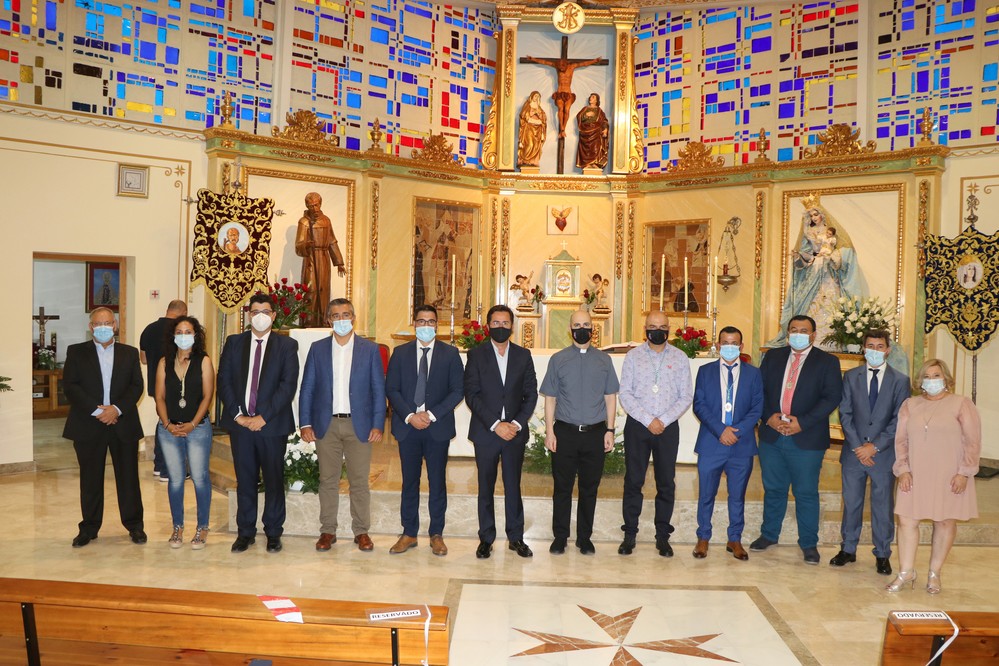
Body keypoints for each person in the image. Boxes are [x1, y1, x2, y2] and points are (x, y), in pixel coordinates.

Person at [751, 315, 842, 564]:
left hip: (807, 437)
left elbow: (832, 397)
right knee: (774, 489)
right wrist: (768, 417)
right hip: (772, 434)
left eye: (804, 330)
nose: (798, 334)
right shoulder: (773, 357)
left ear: (813, 335)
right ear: (787, 333)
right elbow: (759, 390)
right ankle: (769, 534)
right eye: (794, 330)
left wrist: (802, 422)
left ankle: (809, 543)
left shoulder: (827, 362)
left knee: (806, 492)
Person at [886, 359, 981, 594]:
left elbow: (972, 442)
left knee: (945, 520)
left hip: (950, 474)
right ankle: (906, 572)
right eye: (926, 376)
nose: (931, 381)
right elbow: (901, 441)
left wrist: (964, 473)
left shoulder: (961, 404)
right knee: (907, 520)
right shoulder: (910, 404)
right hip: (915, 473)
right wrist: (903, 469)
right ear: (920, 381)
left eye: (936, 375)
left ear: (946, 378)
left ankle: (934, 573)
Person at [299, 298, 386, 553]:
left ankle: (361, 531)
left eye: (346, 314)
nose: (341, 320)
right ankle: (328, 530)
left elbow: (378, 390)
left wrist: (378, 423)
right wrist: (305, 422)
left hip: (359, 425)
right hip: (327, 425)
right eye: (336, 316)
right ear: (328, 320)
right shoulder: (318, 349)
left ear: (354, 318)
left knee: (360, 481)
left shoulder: (369, 350)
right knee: (328, 480)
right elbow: (308, 388)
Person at [217, 293, 300, 554]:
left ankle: (273, 532)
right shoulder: (234, 343)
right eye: (255, 311)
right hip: (241, 426)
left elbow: (287, 386)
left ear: (274, 316)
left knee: (274, 480)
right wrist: (238, 415)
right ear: (248, 315)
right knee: (245, 480)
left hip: (272, 426)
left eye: (266, 311)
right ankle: (245, 532)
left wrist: (263, 417)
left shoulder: (287, 346)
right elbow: (225, 381)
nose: (261, 316)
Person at [385, 304, 464, 556]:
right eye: (421, 321)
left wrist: (430, 414)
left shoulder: (450, 354)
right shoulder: (400, 353)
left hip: (436, 427)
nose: (426, 326)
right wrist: (410, 416)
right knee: (409, 482)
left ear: (437, 325)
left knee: (437, 482)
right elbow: (392, 389)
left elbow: (457, 391)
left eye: (431, 322)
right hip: (408, 428)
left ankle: (436, 534)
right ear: (414, 323)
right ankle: (409, 533)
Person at [63, 307, 146, 548]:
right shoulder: (77, 352)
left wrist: (116, 409)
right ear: (91, 327)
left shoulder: (129, 353)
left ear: (115, 325)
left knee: (129, 478)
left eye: (108, 323)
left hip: (123, 422)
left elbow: (136, 386)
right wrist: (99, 411)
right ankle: (88, 528)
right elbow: (71, 386)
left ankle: (135, 526)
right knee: (90, 479)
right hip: (89, 423)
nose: (103, 327)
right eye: (98, 324)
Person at [539, 309, 619, 555]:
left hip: (595, 433)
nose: (582, 328)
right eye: (577, 324)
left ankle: (584, 537)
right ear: (570, 329)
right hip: (565, 432)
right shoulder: (558, 359)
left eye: (586, 324)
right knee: (562, 487)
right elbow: (550, 398)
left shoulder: (604, 361)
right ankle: (560, 536)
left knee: (589, 488)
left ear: (593, 328)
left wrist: (610, 430)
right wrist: (550, 432)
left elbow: (610, 397)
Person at [831, 329, 910, 575]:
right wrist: (858, 446)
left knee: (882, 505)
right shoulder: (851, 376)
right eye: (870, 346)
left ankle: (883, 553)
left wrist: (874, 447)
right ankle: (848, 549)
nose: (874, 350)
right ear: (863, 349)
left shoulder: (900, 380)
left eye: (879, 346)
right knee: (851, 503)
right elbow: (845, 413)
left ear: (888, 350)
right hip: (854, 453)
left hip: (883, 454)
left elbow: (899, 420)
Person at [464, 305, 538, 559]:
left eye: (505, 323)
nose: (500, 327)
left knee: (512, 486)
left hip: (515, 433)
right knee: (485, 486)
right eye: (495, 323)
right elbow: (471, 395)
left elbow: (531, 394)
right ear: (488, 326)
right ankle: (486, 538)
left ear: (512, 326)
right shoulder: (476, 355)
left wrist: (515, 424)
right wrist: (497, 425)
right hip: (487, 433)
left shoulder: (523, 355)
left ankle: (515, 538)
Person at [618, 310, 692, 557]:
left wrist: (664, 420)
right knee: (634, 480)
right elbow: (625, 393)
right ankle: (630, 533)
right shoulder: (633, 356)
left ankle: (662, 535)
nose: (657, 330)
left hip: (668, 428)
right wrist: (649, 420)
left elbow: (686, 395)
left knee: (666, 482)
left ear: (669, 329)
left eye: (662, 326)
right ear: (645, 329)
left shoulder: (680, 358)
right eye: (652, 326)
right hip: (639, 425)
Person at [691, 326, 763, 560]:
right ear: (719, 345)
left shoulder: (754, 374)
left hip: (741, 445)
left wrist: (738, 430)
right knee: (706, 494)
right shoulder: (705, 371)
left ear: (741, 347)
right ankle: (703, 537)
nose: (730, 347)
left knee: (737, 495)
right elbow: (699, 405)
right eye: (725, 343)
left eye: (734, 343)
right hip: (712, 442)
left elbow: (757, 408)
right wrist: (721, 430)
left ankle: (735, 539)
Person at [154, 316, 215, 549]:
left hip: (197, 428)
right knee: (176, 480)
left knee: (200, 479)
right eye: (178, 331)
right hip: (169, 429)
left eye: (187, 331)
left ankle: (202, 527)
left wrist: (192, 423)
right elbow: (159, 396)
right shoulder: (163, 362)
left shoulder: (204, 361)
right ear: (173, 335)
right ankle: (177, 527)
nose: (183, 335)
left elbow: (208, 396)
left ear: (196, 335)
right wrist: (168, 424)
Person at [767, 202, 862, 347]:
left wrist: (832, 256)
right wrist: (798, 256)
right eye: (811, 215)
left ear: (822, 215)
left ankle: (834, 342)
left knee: (832, 303)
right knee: (809, 305)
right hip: (814, 270)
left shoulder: (830, 232)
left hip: (828, 272)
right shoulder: (808, 233)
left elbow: (845, 252)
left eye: (815, 214)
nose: (813, 217)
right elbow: (807, 256)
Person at [140, 300, 188, 480]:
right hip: (176, 385)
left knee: (164, 421)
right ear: (183, 312)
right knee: (174, 425)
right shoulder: (180, 331)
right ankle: (168, 469)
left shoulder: (149, 329)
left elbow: (143, 359)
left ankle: (160, 466)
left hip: (156, 384)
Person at [296, 192, 346, 327]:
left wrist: (339, 262)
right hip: (311, 259)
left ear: (320, 204)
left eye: (316, 205)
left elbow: (332, 241)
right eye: (311, 206)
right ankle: (309, 322)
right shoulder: (304, 222)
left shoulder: (326, 221)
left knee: (323, 290)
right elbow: (298, 245)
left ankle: (323, 321)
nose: (314, 208)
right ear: (307, 205)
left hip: (324, 258)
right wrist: (306, 244)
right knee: (311, 290)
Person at [575, 93, 609, 170]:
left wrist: (605, 129)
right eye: (590, 97)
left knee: (595, 148)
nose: (591, 98)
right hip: (585, 131)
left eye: (593, 97)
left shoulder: (599, 111)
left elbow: (604, 121)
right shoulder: (585, 109)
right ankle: (586, 163)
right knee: (585, 149)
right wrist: (586, 115)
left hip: (596, 131)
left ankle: (595, 163)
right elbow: (579, 116)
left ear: (597, 100)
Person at [517, 91, 547, 167]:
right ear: (532, 96)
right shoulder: (527, 105)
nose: (536, 98)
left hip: (537, 130)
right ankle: (524, 160)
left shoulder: (539, 107)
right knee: (529, 145)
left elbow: (543, 118)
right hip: (529, 129)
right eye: (535, 96)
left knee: (536, 146)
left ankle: (533, 161)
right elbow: (524, 115)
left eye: (538, 97)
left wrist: (539, 116)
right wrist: (533, 113)